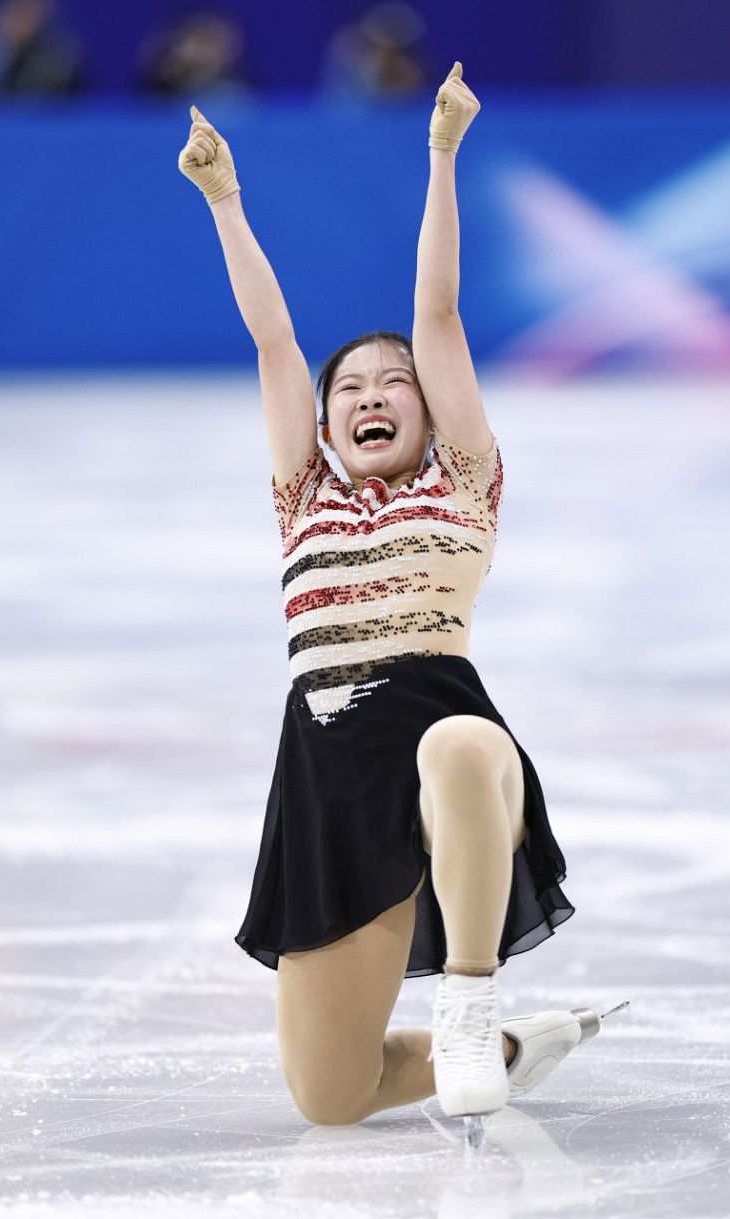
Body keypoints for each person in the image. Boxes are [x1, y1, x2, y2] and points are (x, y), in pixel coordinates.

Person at [177, 63, 579, 1131]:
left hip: (443, 732)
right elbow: (274, 341)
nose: (368, 394)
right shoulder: (301, 497)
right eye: (348, 387)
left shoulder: (464, 481)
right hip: (324, 767)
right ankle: (510, 1044)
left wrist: (442, 151)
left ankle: (469, 1002)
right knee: (331, 1093)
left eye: (392, 382)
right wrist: (224, 200)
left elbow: (435, 312)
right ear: (325, 425)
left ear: (430, 409)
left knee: (461, 744)